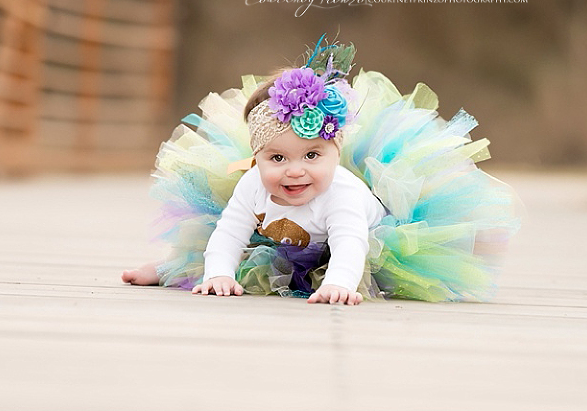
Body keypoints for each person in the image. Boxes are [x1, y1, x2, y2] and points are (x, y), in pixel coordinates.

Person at [122, 34, 521, 305]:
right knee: (217, 244)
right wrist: (219, 274)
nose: (295, 171)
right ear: (257, 158)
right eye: (277, 159)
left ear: (334, 151)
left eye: (312, 156)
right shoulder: (251, 185)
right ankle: (169, 269)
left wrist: (339, 283)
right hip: (290, 243)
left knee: (376, 268)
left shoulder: (342, 194)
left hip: (368, 243)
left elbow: (349, 243)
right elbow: (228, 233)